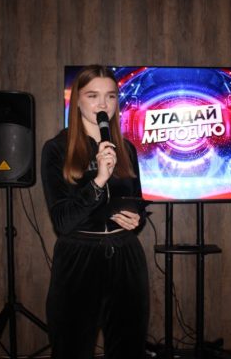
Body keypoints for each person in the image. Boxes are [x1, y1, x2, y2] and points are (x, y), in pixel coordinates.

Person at [41, 65, 149, 358]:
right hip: (78, 258)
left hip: (126, 256)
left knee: (129, 350)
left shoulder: (126, 148)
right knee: (71, 349)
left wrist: (136, 219)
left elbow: (136, 202)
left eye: (110, 96)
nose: (103, 104)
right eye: (93, 96)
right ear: (76, 101)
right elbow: (62, 221)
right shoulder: (56, 149)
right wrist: (99, 180)